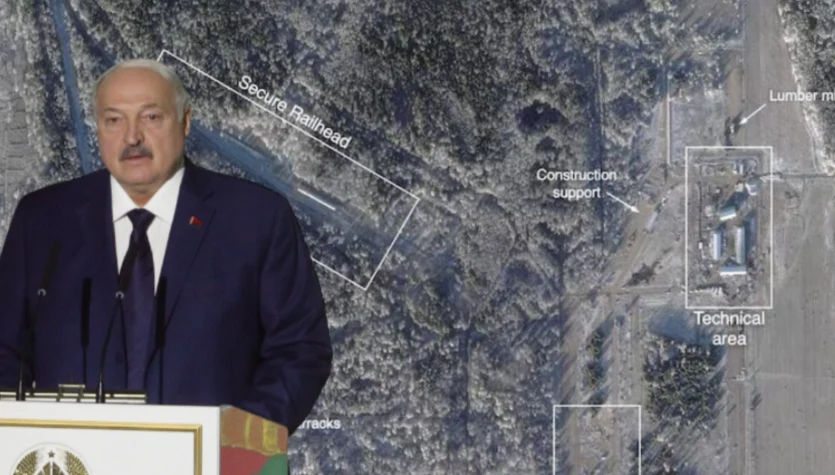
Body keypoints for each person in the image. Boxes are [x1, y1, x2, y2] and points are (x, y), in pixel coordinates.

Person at [0, 59, 332, 435]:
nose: (132, 137)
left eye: (151, 117)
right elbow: (5, 349)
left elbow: (300, 350)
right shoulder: (42, 219)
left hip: (214, 458)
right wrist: (26, 436)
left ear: (185, 121)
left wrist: (235, 441)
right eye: (114, 120)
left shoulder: (256, 218)